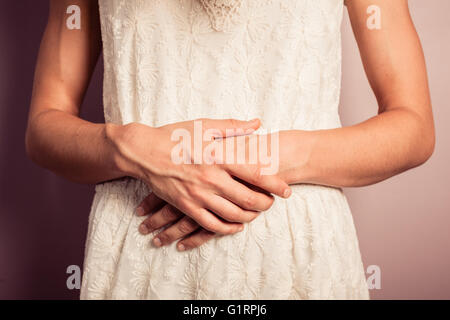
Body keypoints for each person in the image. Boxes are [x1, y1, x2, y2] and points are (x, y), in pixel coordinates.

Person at [26, 0, 435, 299]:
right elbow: (45, 127)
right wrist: (129, 147)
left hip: (297, 258)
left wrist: (259, 159)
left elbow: (412, 127)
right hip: (144, 246)